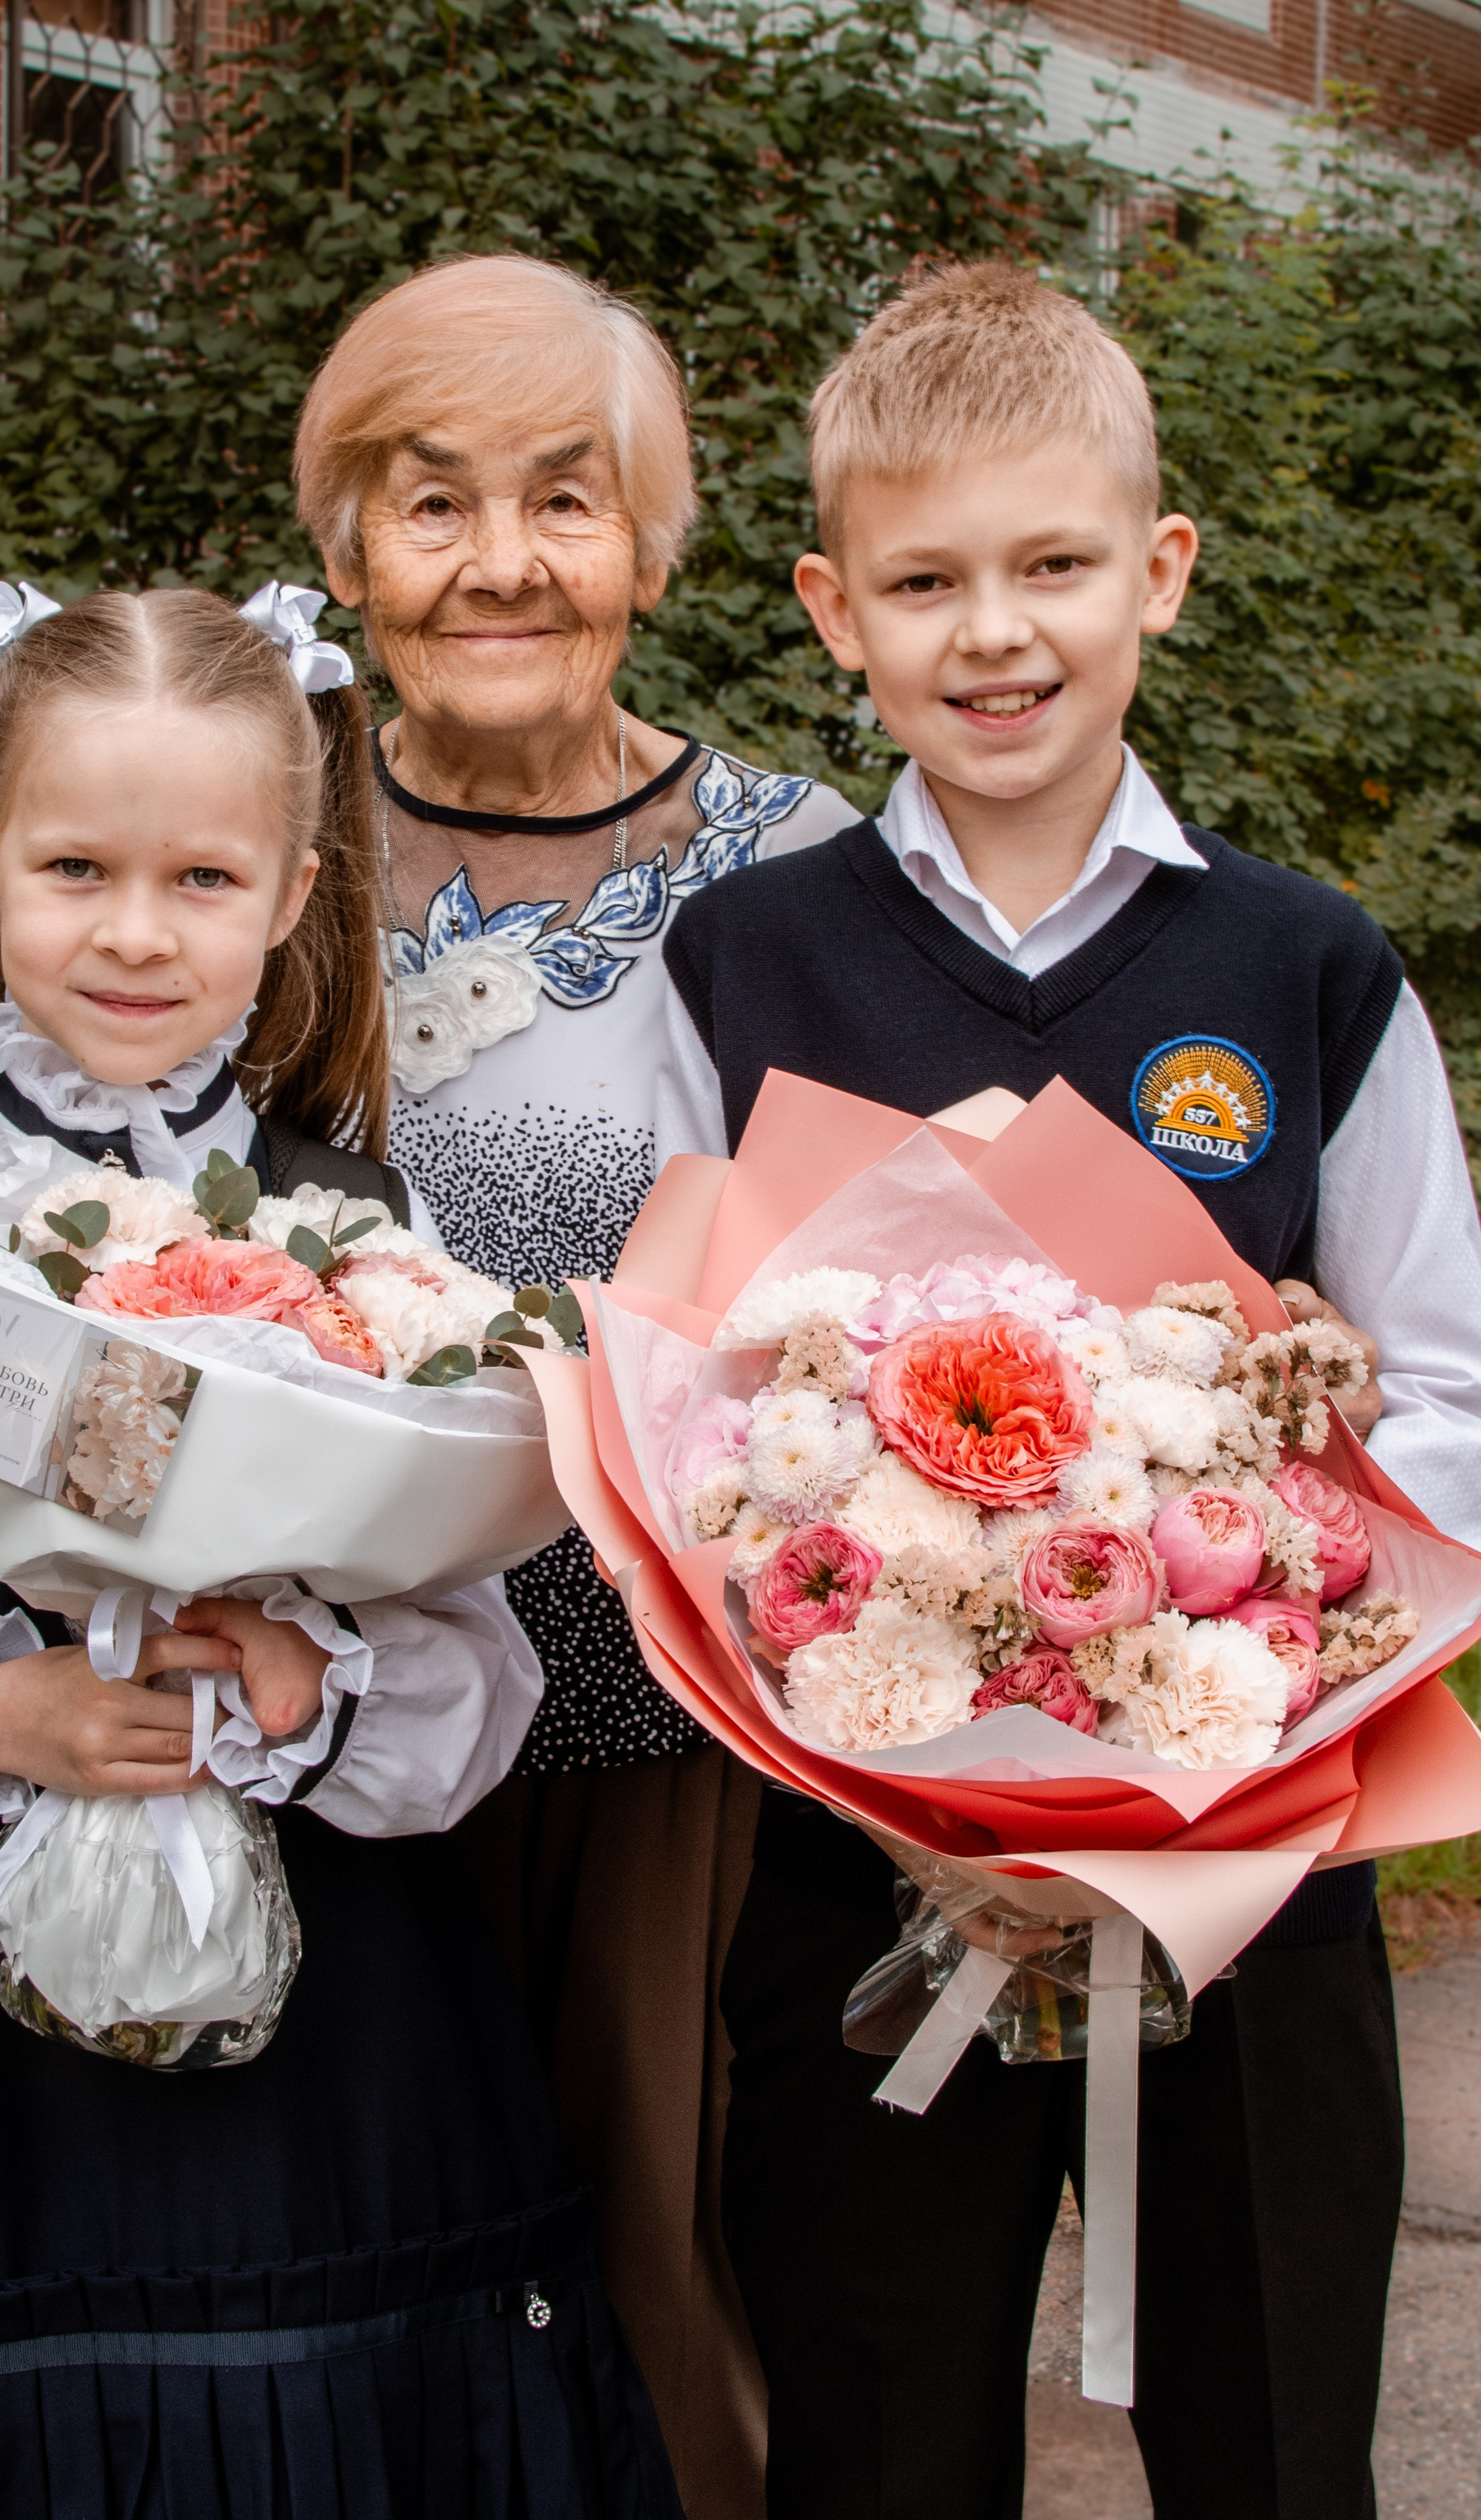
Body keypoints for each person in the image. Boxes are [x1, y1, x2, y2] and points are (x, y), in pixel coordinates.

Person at [660, 261, 1481, 2520]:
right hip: (871, 1876)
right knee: (879, 2438)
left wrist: (1198, 1732)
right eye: (926, 581)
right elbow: (687, 1417)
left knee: (1266, 2445)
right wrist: (916, 1773)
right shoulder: (748, 961)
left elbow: (1442, 1400)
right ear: (836, 615)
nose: (995, 632)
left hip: (1254, 1881)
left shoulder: (1307, 969)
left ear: (1159, 575)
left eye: (1052, 566)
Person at [0, 584, 682, 2517]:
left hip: (340, 2077)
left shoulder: (372, 1233)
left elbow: (485, 1656)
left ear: (295, 885)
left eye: (203, 876)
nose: (136, 931)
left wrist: (323, 1697)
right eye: (73, 865)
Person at [292, 253, 856, 2516]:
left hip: (653, 1701)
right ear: (348, 548)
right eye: (432, 505)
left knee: (654, 2219)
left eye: (567, 500)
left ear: (656, 543)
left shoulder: (792, 871)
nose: (503, 562)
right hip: (314, 1687)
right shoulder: (264, 825)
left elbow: (864, 1279)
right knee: (336, 2219)